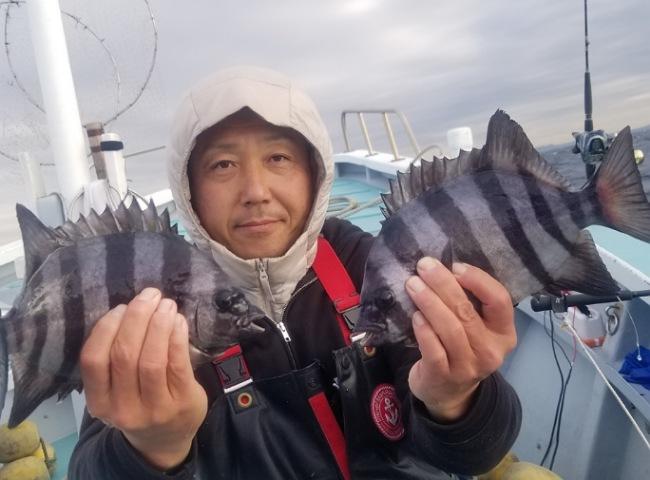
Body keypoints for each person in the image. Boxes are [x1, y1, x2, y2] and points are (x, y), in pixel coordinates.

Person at [69, 66, 521, 479]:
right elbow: (89, 467)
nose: (255, 191)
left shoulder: (370, 266)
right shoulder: (158, 299)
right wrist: (153, 448)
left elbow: (473, 457)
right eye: (223, 165)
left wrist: (456, 401)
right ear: (189, 191)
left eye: (278, 158)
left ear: (314, 174)